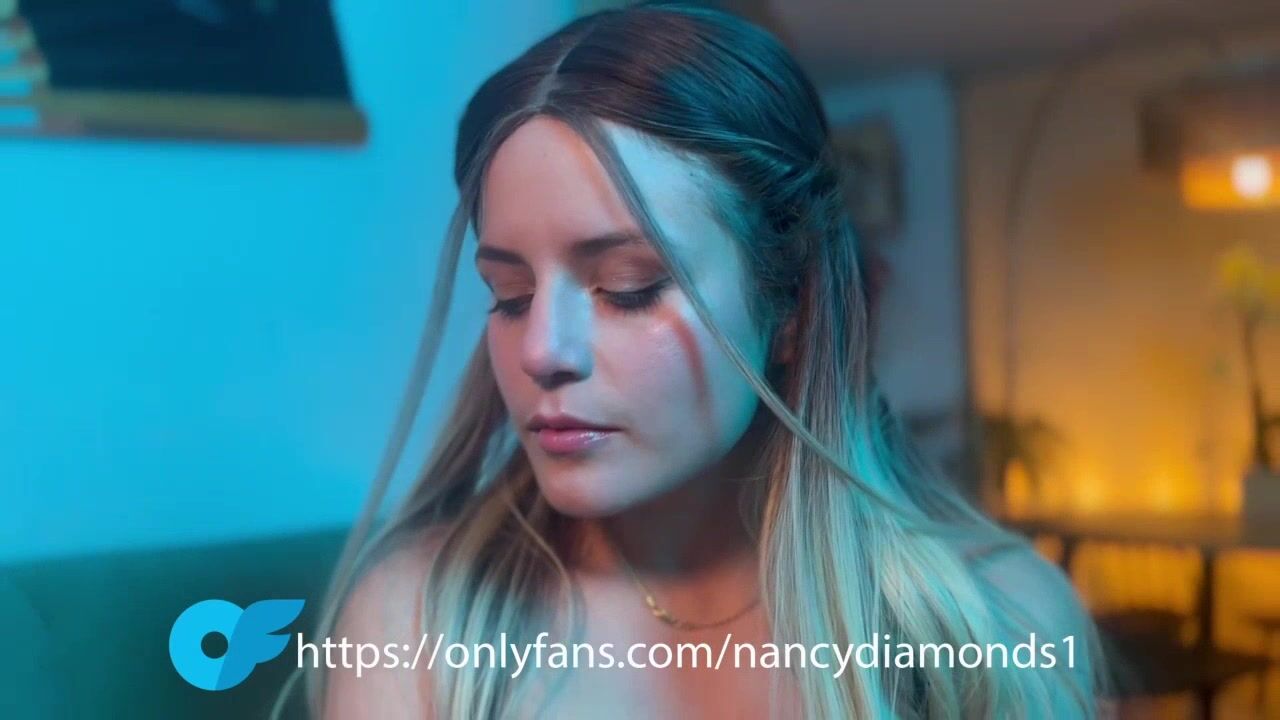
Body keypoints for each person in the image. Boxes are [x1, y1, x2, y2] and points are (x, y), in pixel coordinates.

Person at [275, 3, 1106, 717]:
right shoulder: (416, 627)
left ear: (790, 310)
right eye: (511, 295)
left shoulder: (1000, 624)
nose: (543, 351)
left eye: (629, 288)